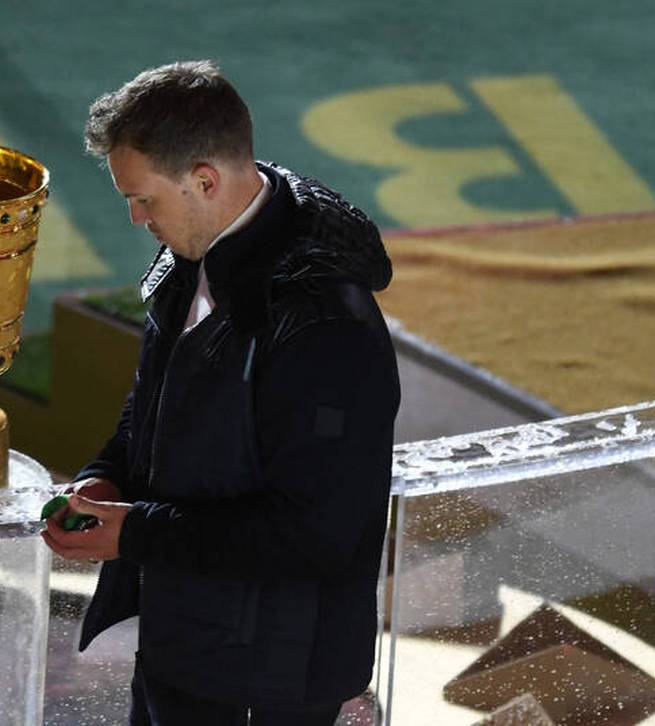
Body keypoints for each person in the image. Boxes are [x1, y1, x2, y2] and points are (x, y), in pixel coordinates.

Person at [42, 60, 400, 725]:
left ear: (204, 180)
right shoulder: (194, 252)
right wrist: (105, 478)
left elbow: (317, 535)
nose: (133, 217)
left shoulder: (326, 325)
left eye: (144, 198)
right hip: (188, 650)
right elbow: (158, 403)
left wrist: (138, 532)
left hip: (272, 682)